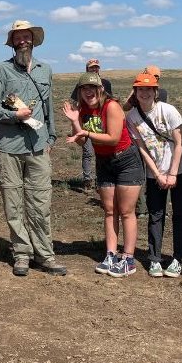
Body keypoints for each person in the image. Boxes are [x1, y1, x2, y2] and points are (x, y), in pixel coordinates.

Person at [0, 20, 66, 277]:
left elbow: (49, 106)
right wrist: (16, 115)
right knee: (14, 204)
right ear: (12, 42)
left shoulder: (45, 70)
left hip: (38, 147)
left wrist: (51, 136)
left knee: (41, 202)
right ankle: (21, 254)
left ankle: (45, 255)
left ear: (33, 40)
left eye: (26, 36)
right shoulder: (1, 70)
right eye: (17, 37)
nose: (23, 41)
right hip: (9, 148)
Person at [63, 72, 144, 277]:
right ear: (80, 92)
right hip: (104, 162)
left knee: (126, 211)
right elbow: (81, 141)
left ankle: (128, 258)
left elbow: (114, 138)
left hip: (126, 160)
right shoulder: (82, 110)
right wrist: (75, 122)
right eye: (84, 88)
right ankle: (110, 254)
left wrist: (87, 133)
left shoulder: (112, 106)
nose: (88, 91)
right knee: (109, 210)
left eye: (92, 88)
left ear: (100, 89)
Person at [126, 73, 182, 278]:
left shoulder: (169, 110)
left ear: (156, 92)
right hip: (155, 175)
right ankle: (155, 258)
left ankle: (179, 258)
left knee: (181, 214)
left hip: (179, 171)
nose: (144, 93)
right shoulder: (132, 117)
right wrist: (156, 174)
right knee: (155, 215)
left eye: (148, 89)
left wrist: (172, 173)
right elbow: (142, 148)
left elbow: (179, 143)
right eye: (140, 89)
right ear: (135, 93)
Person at [122, 65, 168, 218]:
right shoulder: (159, 92)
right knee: (155, 171)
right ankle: (151, 207)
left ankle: (145, 208)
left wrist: (134, 90)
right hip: (150, 140)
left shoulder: (156, 93)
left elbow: (125, 106)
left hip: (144, 137)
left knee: (147, 172)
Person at [70, 59, 112, 191]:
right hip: (87, 120)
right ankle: (87, 179)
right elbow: (75, 100)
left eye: (96, 68)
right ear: (87, 69)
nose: (94, 70)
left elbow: (109, 100)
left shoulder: (105, 83)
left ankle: (102, 181)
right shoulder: (81, 84)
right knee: (88, 151)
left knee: (103, 153)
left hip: (101, 121)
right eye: (91, 68)